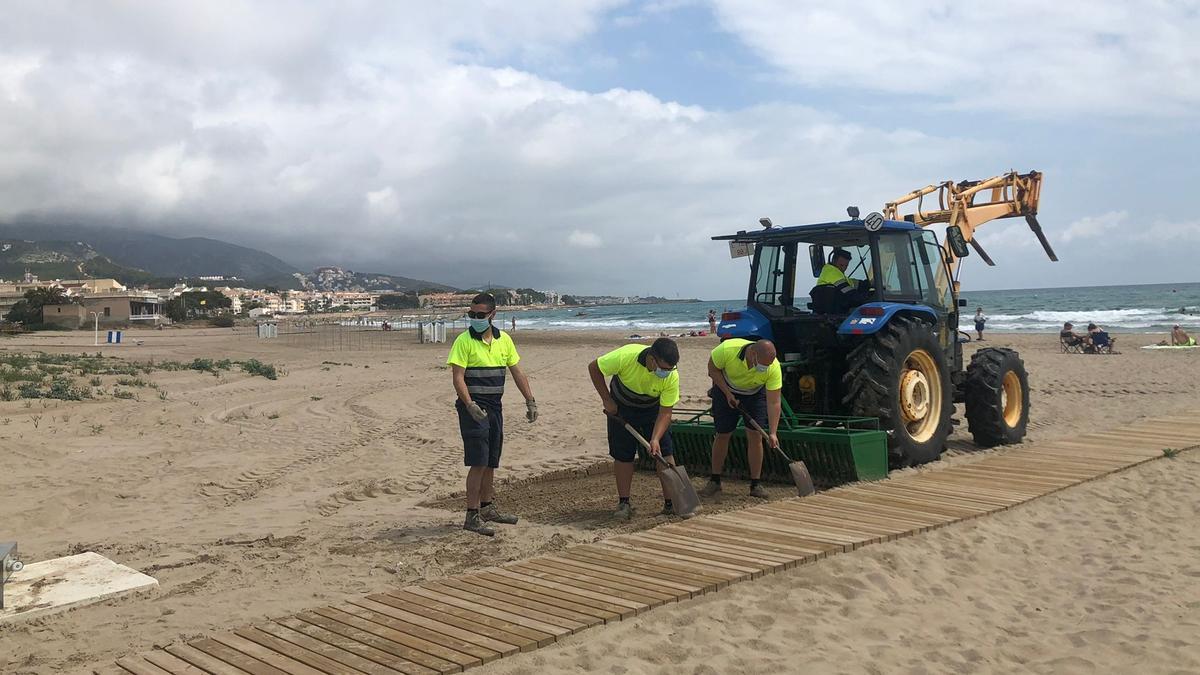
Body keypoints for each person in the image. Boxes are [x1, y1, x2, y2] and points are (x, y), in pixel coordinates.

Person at [447, 293, 538, 536]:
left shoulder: (504, 340)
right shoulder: (463, 341)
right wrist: (469, 404)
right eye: (471, 315)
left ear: (492, 315)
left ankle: (487, 508)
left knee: (491, 460)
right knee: (478, 461)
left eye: (480, 315)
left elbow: (517, 372)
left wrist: (530, 400)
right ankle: (472, 514)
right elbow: (458, 378)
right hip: (473, 408)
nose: (475, 319)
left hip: (495, 407)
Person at [587, 338, 683, 520]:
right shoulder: (626, 356)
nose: (667, 373)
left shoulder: (671, 375)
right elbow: (594, 367)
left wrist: (655, 438)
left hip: (652, 410)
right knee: (623, 455)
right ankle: (624, 503)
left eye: (670, 369)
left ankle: (673, 502)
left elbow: (665, 412)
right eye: (664, 368)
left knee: (665, 453)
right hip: (621, 407)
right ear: (652, 359)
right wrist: (607, 400)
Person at [700, 338, 782, 500]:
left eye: (768, 365)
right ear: (752, 354)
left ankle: (755, 484)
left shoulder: (773, 367)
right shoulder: (726, 350)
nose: (766, 368)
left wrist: (773, 432)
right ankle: (715, 480)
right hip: (726, 389)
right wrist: (728, 394)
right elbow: (713, 370)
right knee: (723, 434)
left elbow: (774, 401)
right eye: (763, 365)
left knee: (756, 435)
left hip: (755, 393)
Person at [813, 248, 869, 312]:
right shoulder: (832, 272)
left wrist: (868, 283)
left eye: (846, 266)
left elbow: (852, 283)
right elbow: (850, 294)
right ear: (833, 261)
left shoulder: (836, 274)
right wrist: (866, 299)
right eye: (841, 265)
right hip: (835, 313)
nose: (843, 268)